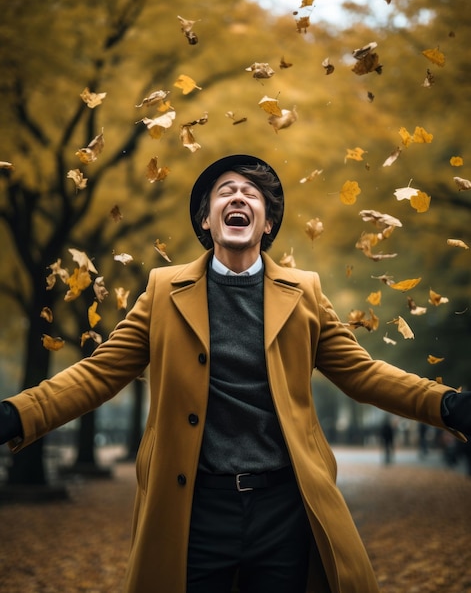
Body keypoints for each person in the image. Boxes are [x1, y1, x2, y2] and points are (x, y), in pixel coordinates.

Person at [1, 153, 470, 593]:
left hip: (284, 508)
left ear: (266, 223)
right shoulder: (164, 291)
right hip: (195, 509)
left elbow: (362, 374)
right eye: (225, 191)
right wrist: (16, 415)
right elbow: (97, 375)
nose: (238, 198)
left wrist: (447, 404)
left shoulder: (305, 293)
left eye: (252, 193)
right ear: (207, 220)